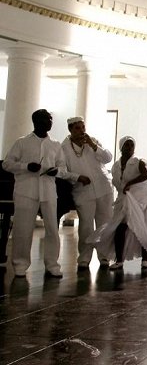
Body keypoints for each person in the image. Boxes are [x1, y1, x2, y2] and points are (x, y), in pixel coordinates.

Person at [2, 109, 66, 278]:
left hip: (48, 192)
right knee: (23, 229)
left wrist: (57, 171)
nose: (50, 122)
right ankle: (20, 265)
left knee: (52, 228)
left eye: (51, 119)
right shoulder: (22, 142)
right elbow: (7, 164)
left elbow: (63, 168)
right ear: (36, 121)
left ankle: (52, 264)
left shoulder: (55, 145)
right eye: (47, 119)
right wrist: (26, 167)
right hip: (26, 191)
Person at [89, 136, 147, 270]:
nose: (130, 147)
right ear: (121, 147)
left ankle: (144, 258)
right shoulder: (116, 166)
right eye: (127, 145)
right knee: (120, 227)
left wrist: (130, 183)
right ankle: (119, 260)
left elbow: (146, 174)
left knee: (143, 227)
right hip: (125, 199)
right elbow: (117, 182)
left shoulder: (138, 161)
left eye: (132, 145)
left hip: (141, 198)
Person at [61, 116, 114, 271]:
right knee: (86, 225)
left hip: (104, 188)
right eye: (77, 128)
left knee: (105, 223)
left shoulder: (93, 141)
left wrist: (93, 145)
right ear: (70, 130)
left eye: (83, 127)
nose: (82, 131)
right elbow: (62, 171)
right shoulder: (63, 147)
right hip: (82, 191)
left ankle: (104, 256)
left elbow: (108, 158)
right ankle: (84, 258)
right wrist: (77, 177)